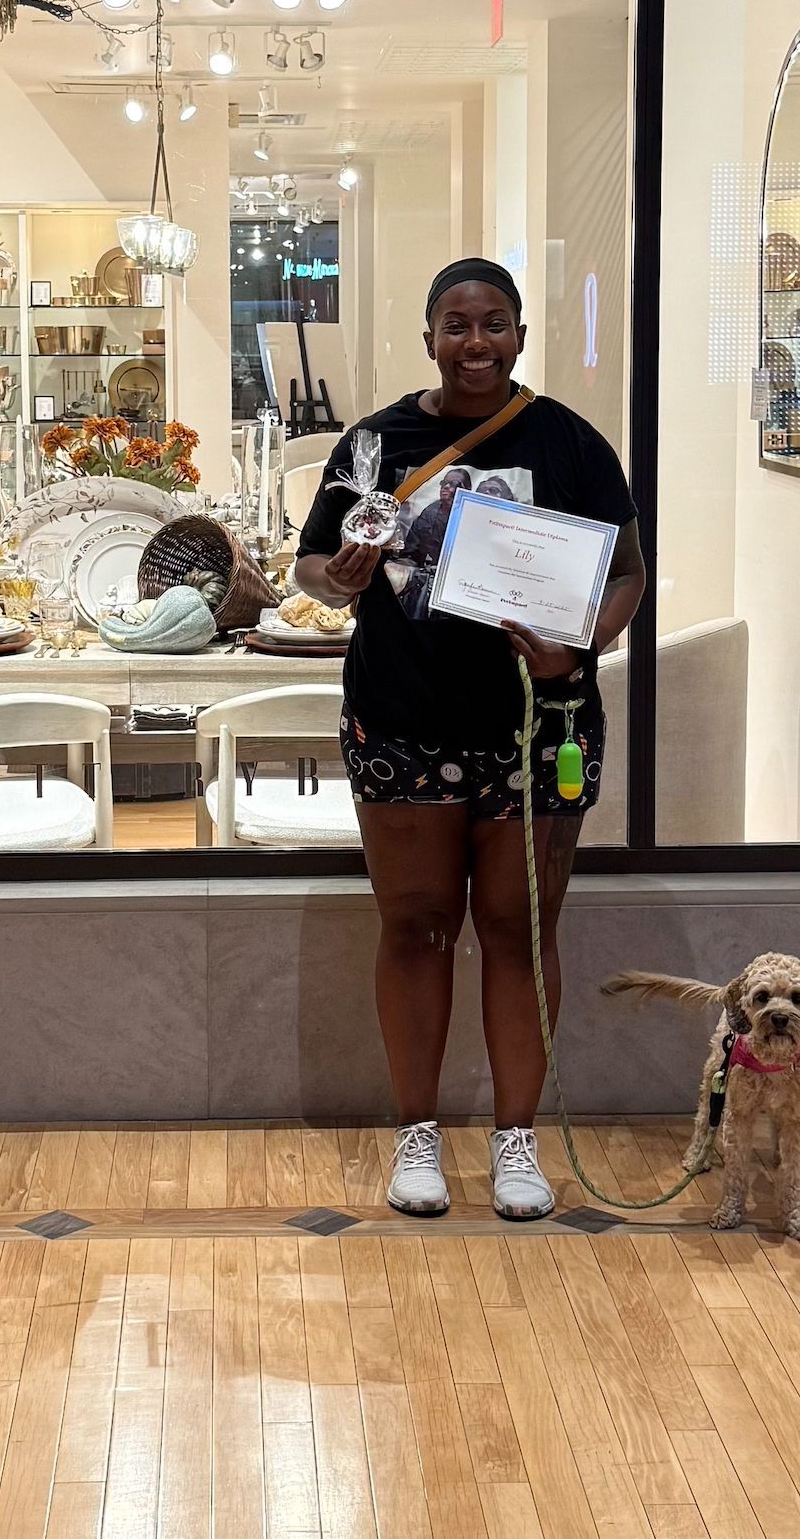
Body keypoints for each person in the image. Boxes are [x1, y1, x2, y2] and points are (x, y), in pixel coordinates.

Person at [295, 259, 646, 1221]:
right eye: (456, 324)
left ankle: (516, 1142)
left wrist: (575, 650)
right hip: (402, 717)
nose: (475, 342)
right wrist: (346, 573)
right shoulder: (374, 443)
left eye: (494, 324)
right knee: (414, 927)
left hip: (535, 726)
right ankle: (417, 1136)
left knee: (517, 930)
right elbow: (312, 570)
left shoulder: (569, 441)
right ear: (428, 338)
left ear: (521, 336)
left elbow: (625, 572)